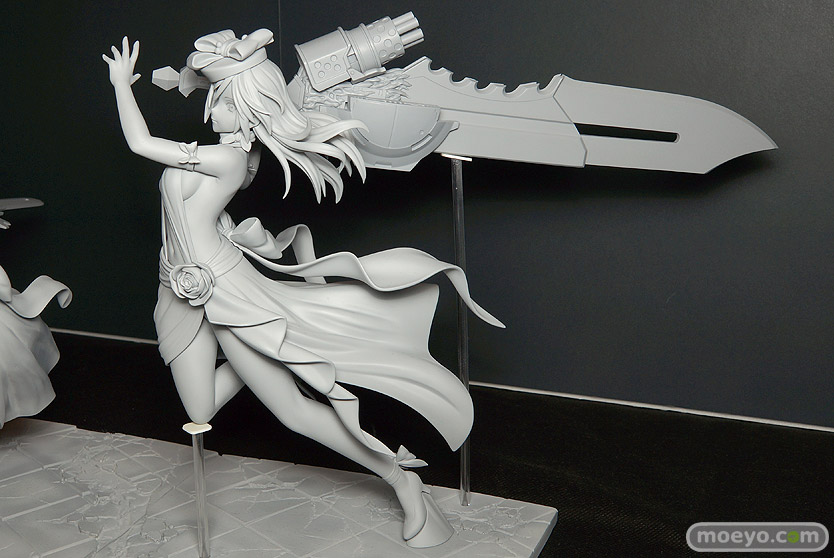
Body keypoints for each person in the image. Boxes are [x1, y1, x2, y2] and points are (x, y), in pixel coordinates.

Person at [103, 30, 502, 547]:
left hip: (226, 293)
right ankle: (274, 348)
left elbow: (140, 144)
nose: (212, 109)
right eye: (214, 99)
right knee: (199, 410)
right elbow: (194, 201)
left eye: (223, 102)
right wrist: (188, 79)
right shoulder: (220, 154)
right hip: (177, 291)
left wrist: (121, 85)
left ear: (249, 112)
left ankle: (401, 479)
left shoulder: (229, 160)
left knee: (293, 413)